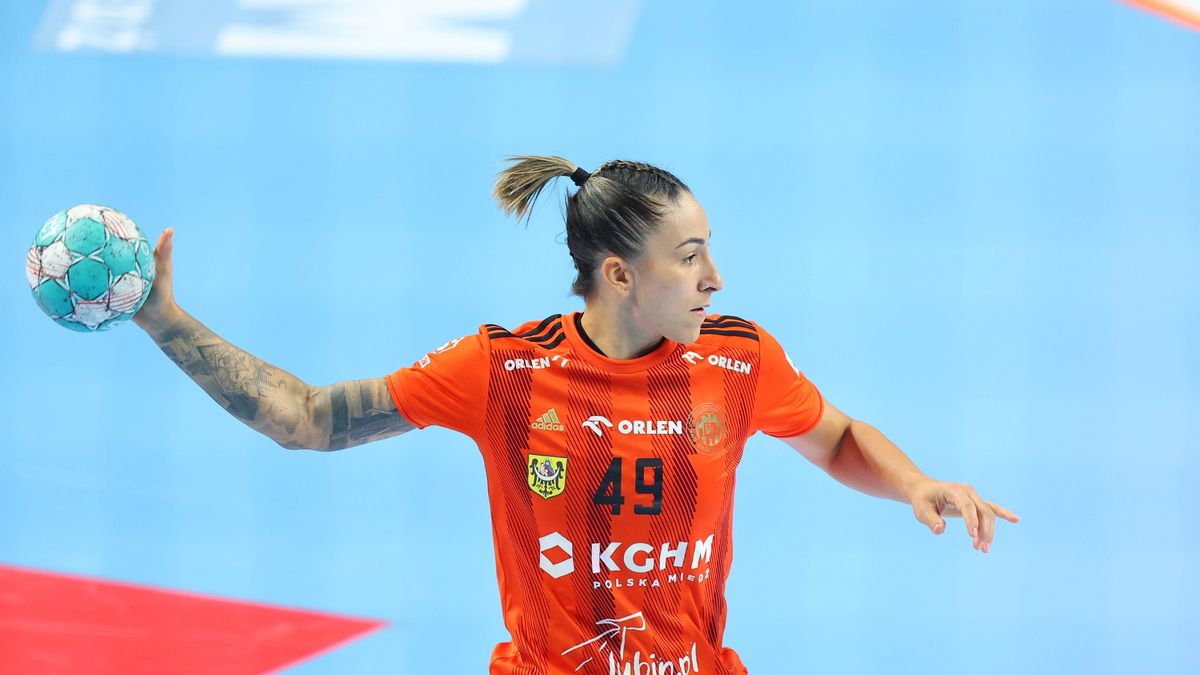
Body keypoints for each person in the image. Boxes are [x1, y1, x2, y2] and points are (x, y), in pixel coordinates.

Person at [132, 155, 1020, 674]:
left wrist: (916, 482)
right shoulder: (502, 371)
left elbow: (836, 436)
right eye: (691, 256)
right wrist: (166, 320)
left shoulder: (738, 360)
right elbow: (307, 417)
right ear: (620, 274)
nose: (715, 279)